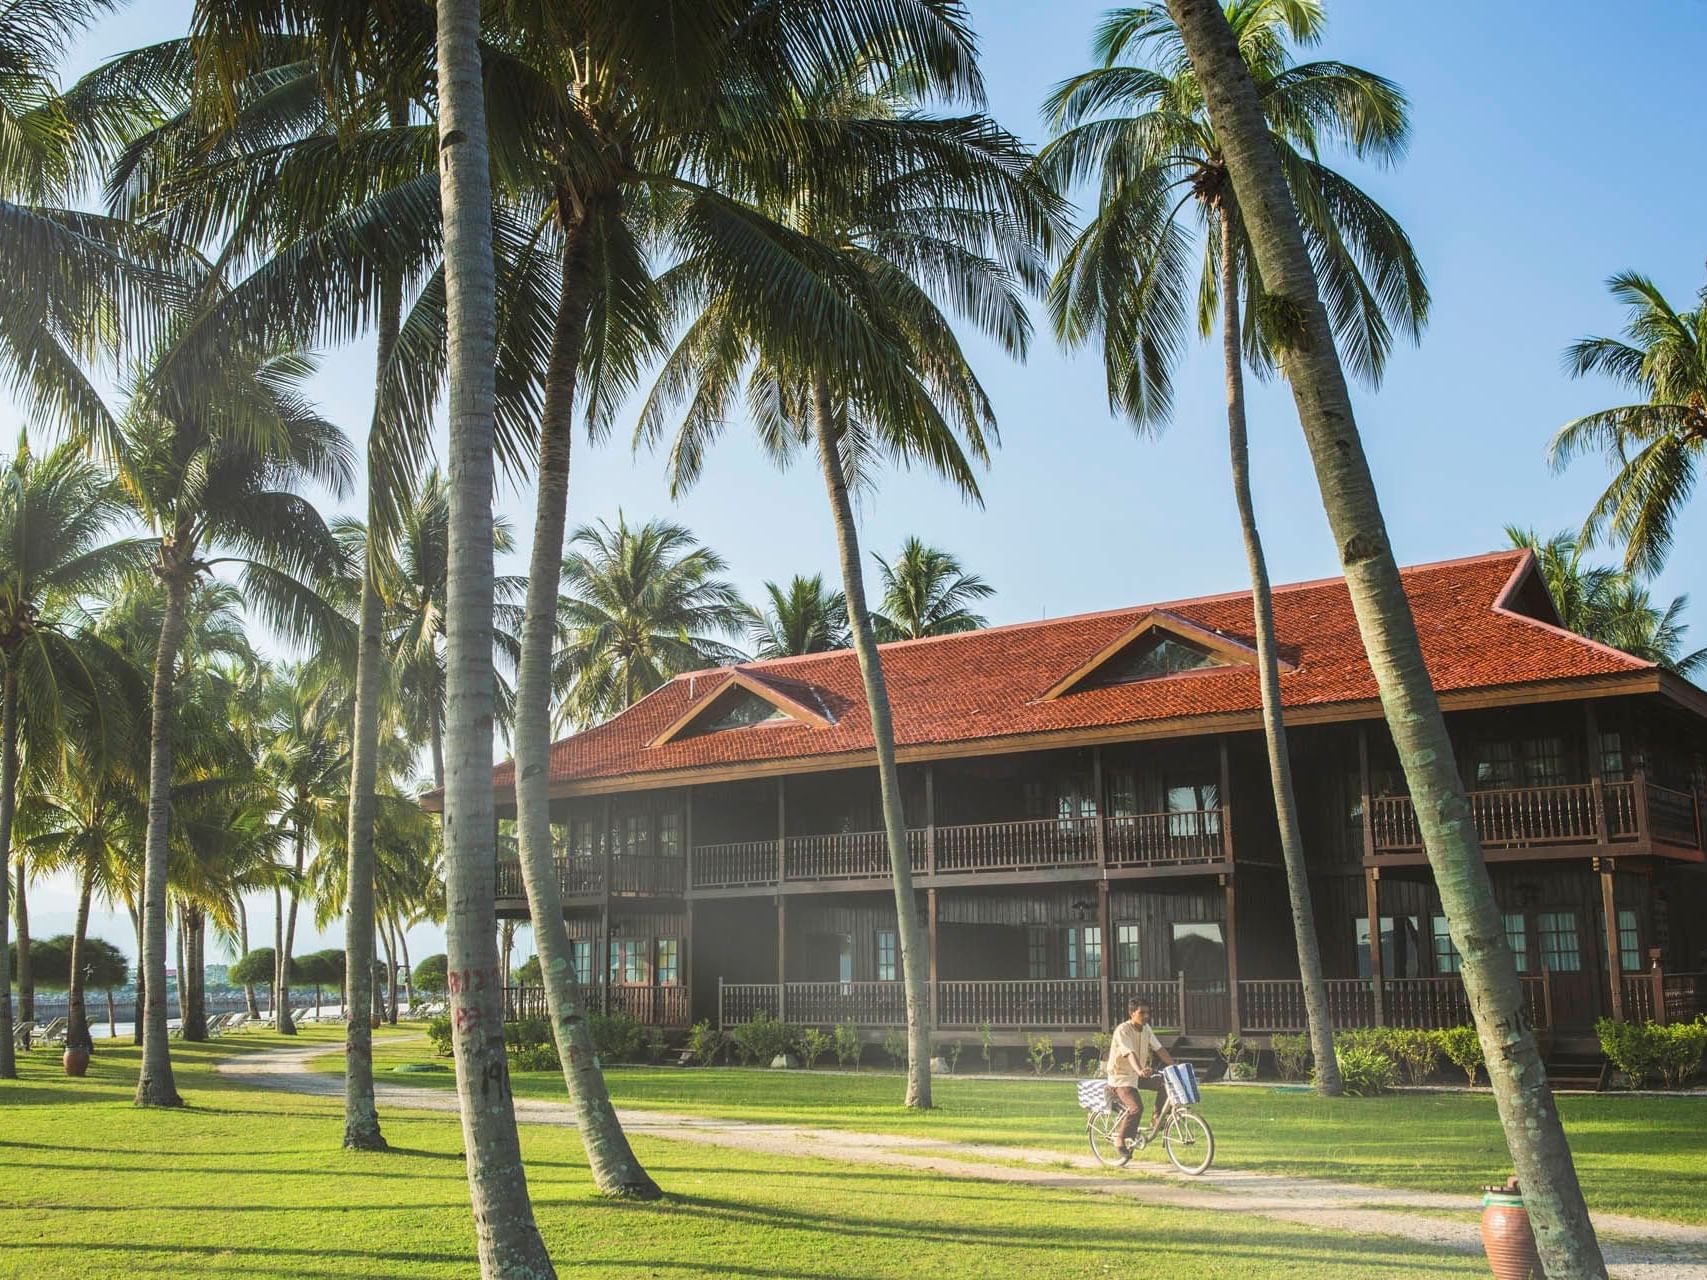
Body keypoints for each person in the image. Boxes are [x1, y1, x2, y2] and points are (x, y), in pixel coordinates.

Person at [1105, 998, 1174, 1161]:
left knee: (1166, 1083)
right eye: (1141, 1013)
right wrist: (1140, 1070)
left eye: (1147, 1013)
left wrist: (1175, 1066)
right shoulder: (1122, 1030)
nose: (1146, 1016)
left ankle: (1156, 1118)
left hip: (1138, 1074)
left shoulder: (1146, 1029)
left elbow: (1159, 1049)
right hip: (1121, 1077)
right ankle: (1120, 1139)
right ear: (1131, 1014)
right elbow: (1129, 1053)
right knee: (1136, 1108)